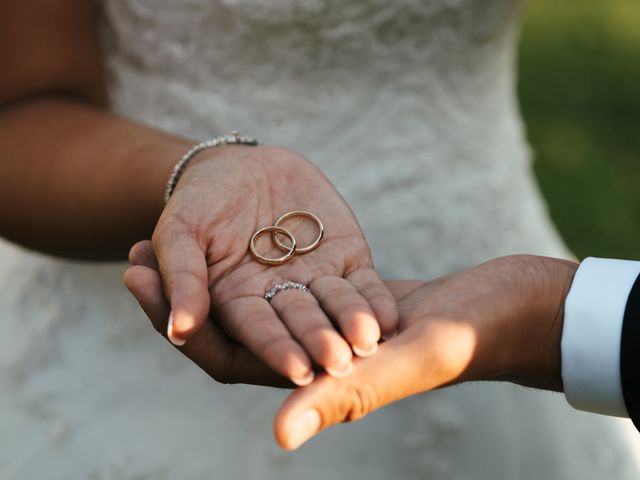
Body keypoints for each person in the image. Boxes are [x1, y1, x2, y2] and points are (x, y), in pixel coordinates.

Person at [1, 1, 638, 479]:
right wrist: (198, 171)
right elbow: (20, 112)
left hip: (476, 242)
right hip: (130, 320)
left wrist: (550, 315)